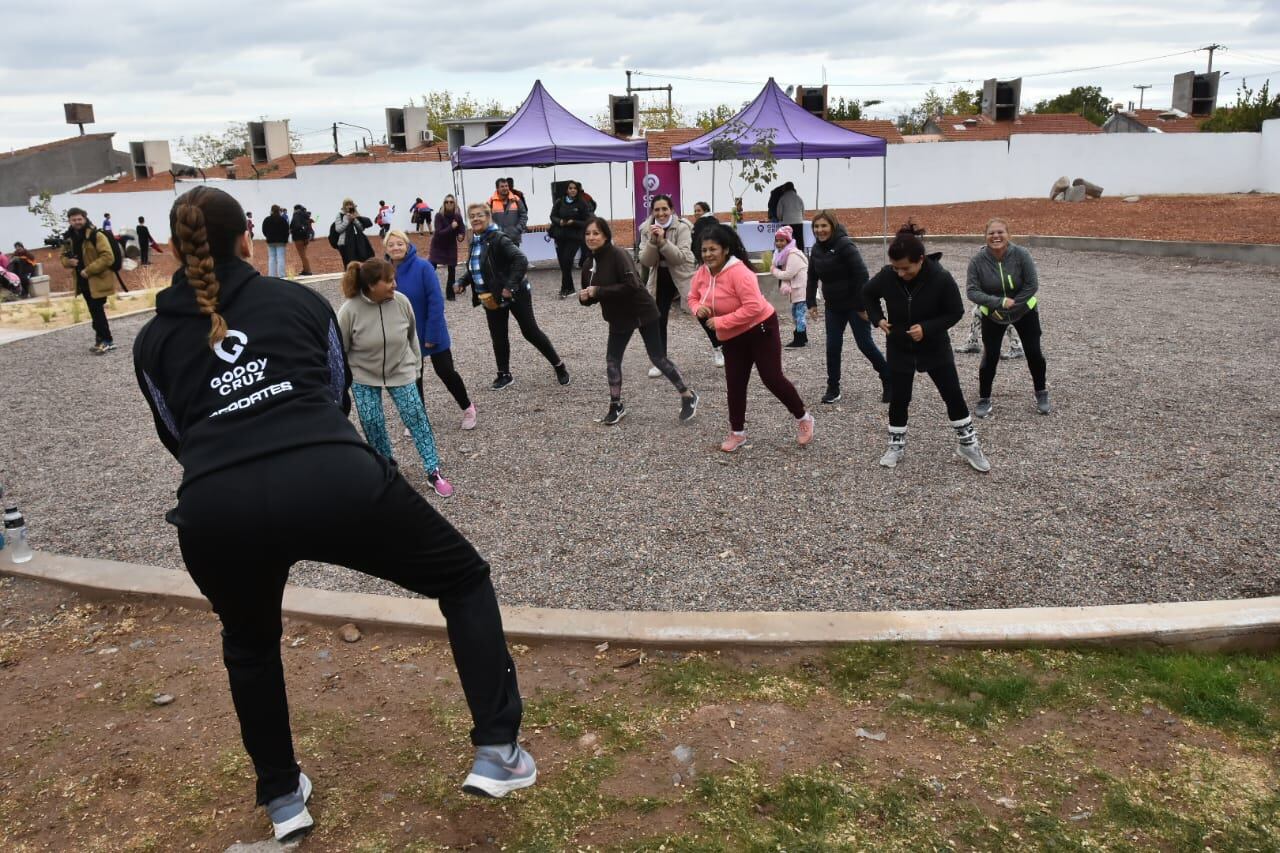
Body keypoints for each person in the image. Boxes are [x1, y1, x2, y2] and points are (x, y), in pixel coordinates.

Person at [132, 186, 533, 842]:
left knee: (251, 644)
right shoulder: (294, 299)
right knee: (461, 579)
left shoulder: (152, 340)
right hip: (328, 473)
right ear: (246, 242)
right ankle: (498, 750)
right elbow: (335, 390)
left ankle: (284, 796)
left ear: (175, 249)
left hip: (216, 508)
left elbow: (176, 434)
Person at [863, 223, 991, 472]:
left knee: (952, 394)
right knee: (900, 397)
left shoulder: (940, 278)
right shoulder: (888, 274)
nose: (900, 273)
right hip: (899, 345)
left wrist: (928, 328)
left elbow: (955, 312)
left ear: (920, 260)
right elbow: (867, 293)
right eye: (896, 268)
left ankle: (968, 444)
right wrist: (878, 318)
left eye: (905, 269)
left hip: (934, 346)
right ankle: (896, 445)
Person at [689, 224, 813, 452]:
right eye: (704, 250)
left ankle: (803, 417)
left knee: (772, 377)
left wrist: (720, 322)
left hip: (760, 328)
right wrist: (698, 309)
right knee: (735, 383)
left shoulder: (740, 272)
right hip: (732, 337)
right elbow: (693, 296)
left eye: (712, 249)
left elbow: (754, 307)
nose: (707, 255)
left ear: (725, 249)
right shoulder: (703, 272)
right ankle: (737, 433)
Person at [337, 257, 454, 498]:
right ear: (371, 285)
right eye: (388, 281)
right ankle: (387, 469)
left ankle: (433, 470)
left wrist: (415, 368)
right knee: (372, 423)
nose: (395, 285)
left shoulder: (401, 302)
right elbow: (341, 348)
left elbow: (412, 337)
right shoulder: (349, 310)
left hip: (401, 371)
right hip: (364, 376)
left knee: (416, 418)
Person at [578, 216, 699, 425]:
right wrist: (585, 298)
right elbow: (593, 297)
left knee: (657, 358)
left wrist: (598, 290)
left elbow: (632, 285)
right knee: (612, 361)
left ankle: (688, 395)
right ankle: (616, 405)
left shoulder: (618, 254)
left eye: (596, 233)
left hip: (641, 310)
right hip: (618, 317)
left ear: (606, 235)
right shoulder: (589, 263)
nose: (591, 237)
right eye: (588, 234)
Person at [457, 203, 570, 390]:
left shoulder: (499, 238)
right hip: (491, 295)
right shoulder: (476, 240)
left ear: (488, 217)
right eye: (472, 216)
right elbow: (477, 268)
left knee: (530, 331)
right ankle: (504, 374)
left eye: (480, 215)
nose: (476, 219)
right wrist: (462, 282)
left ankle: (559, 366)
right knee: (498, 335)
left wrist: (510, 287)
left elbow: (521, 260)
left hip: (516, 293)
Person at [385, 230, 477, 431]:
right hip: (404, 335)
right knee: (413, 378)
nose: (395, 248)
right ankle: (419, 418)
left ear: (407, 244)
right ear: (386, 248)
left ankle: (467, 407)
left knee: (445, 371)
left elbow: (436, 301)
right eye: (391, 245)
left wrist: (432, 334)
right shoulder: (383, 271)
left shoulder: (423, 267)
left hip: (431, 328)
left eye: (399, 243)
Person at [966, 218, 1050, 417]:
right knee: (990, 356)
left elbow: (1032, 285)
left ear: (1008, 235)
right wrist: (999, 303)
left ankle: (1041, 392)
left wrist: (1015, 303)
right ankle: (984, 398)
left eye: (1000, 232)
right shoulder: (977, 261)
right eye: (991, 233)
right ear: (985, 237)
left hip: (1025, 311)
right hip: (993, 313)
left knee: (1034, 353)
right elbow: (972, 291)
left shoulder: (1021, 255)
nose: (996, 236)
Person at [806, 210, 890, 405]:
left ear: (832, 226)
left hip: (854, 305)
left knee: (865, 344)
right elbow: (811, 276)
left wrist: (862, 306)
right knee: (832, 347)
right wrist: (811, 302)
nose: (820, 230)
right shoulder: (816, 249)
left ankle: (888, 377)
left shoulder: (845, 245)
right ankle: (833, 388)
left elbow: (862, 275)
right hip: (833, 307)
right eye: (816, 227)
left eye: (824, 226)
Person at [640, 194, 722, 371]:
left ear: (671, 210)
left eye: (665, 209)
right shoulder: (646, 229)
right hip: (659, 276)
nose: (661, 213)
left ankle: (719, 347)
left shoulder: (683, 228)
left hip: (682, 273)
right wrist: (654, 241)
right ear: (652, 211)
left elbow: (680, 258)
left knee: (700, 311)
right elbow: (646, 261)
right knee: (658, 318)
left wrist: (663, 241)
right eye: (657, 210)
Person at [59, 207, 117, 353]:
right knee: (94, 311)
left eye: (79, 219)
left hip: (97, 279)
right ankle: (100, 340)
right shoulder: (68, 238)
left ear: (85, 218)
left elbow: (108, 257)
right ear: (69, 221)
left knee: (97, 311)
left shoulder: (96, 235)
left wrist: (89, 270)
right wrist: (69, 262)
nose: (77, 222)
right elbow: (63, 258)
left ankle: (107, 340)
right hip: (82, 281)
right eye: (74, 220)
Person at [549, 180, 590, 297]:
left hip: (574, 236)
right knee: (563, 263)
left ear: (577, 190)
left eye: (575, 188)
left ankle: (564, 288)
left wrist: (574, 222)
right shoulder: (559, 201)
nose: (572, 190)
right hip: (560, 235)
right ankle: (569, 288)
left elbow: (587, 221)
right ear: (566, 190)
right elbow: (552, 216)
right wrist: (559, 221)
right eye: (570, 188)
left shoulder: (582, 203)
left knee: (567, 260)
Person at [771, 225, 809, 348]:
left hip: (800, 289)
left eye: (782, 240)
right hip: (796, 289)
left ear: (787, 241)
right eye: (777, 240)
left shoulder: (793, 254)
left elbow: (788, 273)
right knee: (797, 313)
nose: (779, 243)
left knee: (799, 314)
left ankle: (799, 339)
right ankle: (802, 337)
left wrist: (774, 271)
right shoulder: (783, 254)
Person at [430, 195, 466, 301]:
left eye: (451, 202)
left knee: (452, 270)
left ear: (454, 204)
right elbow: (439, 233)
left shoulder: (457, 216)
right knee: (430, 268)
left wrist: (461, 236)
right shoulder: (439, 216)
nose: (449, 204)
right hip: (438, 245)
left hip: (450, 245)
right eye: (446, 202)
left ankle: (450, 294)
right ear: (443, 203)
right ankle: (427, 291)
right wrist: (451, 227)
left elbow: (462, 229)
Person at [331, 199, 374, 265]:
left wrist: (355, 219)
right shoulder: (340, 215)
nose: (349, 206)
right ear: (344, 206)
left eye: (350, 204)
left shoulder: (355, 214)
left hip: (358, 241)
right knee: (350, 263)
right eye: (347, 205)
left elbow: (361, 228)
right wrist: (347, 220)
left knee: (362, 260)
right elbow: (338, 229)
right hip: (346, 243)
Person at [489, 178, 527, 245]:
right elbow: (487, 219)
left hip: (514, 239)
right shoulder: (491, 201)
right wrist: (496, 231)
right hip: (498, 239)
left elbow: (524, 215)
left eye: (506, 186)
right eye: (502, 186)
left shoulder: (516, 199)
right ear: (497, 188)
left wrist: (518, 229)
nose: (505, 188)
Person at [775, 183, 806, 251]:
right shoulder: (799, 198)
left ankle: (787, 254)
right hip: (798, 222)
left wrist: (780, 219)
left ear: (785, 189)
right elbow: (803, 211)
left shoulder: (782, 198)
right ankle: (801, 254)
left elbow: (779, 213)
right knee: (799, 241)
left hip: (787, 222)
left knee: (786, 240)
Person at [261, 204, 289, 278]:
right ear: (279, 210)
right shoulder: (283, 219)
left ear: (271, 211)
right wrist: (285, 240)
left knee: (271, 258)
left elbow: (264, 230)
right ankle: (281, 275)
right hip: (281, 242)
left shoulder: (267, 219)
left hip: (270, 241)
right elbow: (286, 231)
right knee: (280, 258)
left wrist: (267, 237)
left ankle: (272, 275)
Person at [289, 205, 314, 275]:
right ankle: (305, 269)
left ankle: (308, 270)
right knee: (304, 254)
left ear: (296, 209)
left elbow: (295, 225)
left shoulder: (296, 215)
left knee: (302, 255)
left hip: (298, 237)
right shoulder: (305, 215)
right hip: (306, 237)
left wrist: (291, 230)